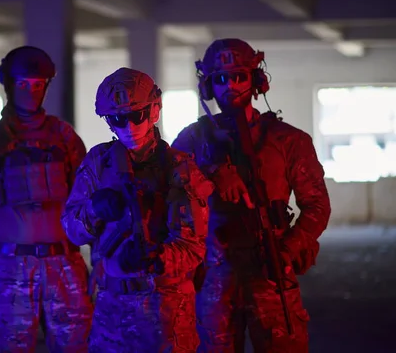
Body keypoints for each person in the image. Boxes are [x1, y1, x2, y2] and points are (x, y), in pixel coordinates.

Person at [172, 38, 331, 352]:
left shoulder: (288, 140)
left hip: (270, 266)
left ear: (256, 80)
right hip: (215, 271)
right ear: (208, 86)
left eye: (239, 76)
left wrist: (289, 249)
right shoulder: (192, 141)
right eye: (219, 79)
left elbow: (317, 206)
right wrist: (210, 174)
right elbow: (167, 194)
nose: (229, 85)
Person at [61, 67, 214, 352]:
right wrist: (94, 209)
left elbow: (194, 248)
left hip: (166, 309)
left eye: (136, 116)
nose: (128, 127)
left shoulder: (179, 168)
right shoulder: (99, 162)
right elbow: (72, 230)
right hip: (112, 308)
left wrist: (157, 259)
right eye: (117, 119)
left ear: (154, 112)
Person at [0, 46, 92, 352]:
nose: (31, 92)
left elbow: (88, 205)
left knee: (76, 345)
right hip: (9, 267)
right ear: (8, 85)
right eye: (23, 84)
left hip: (64, 264)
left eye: (38, 84)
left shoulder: (63, 136)